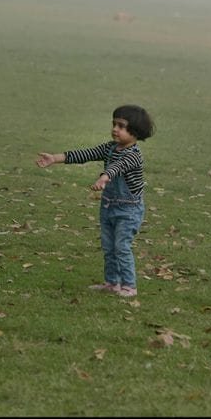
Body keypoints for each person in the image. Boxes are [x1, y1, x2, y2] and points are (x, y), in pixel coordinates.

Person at [35, 105, 155, 298]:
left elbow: (118, 166)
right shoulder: (110, 148)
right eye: (114, 124)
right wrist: (55, 158)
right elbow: (86, 154)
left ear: (136, 131)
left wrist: (104, 177)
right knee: (109, 246)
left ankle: (129, 287)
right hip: (109, 206)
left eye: (121, 126)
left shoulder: (133, 155)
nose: (115, 129)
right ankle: (112, 283)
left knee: (121, 247)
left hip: (128, 210)